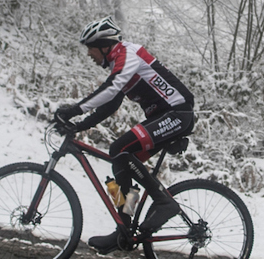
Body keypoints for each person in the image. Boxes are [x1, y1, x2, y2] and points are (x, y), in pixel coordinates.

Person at [51, 17, 197, 254]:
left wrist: (74, 110)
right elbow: (111, 103)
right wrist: (79, 126)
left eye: (90, 47)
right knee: (119, 159)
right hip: (164, 117)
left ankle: (164, 203)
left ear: (104, 45)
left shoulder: (129, 53)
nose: (88, 54)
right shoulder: (119, 62)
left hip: (177, 113)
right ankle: (124, 228)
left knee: (119, 148)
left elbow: (111, 88)